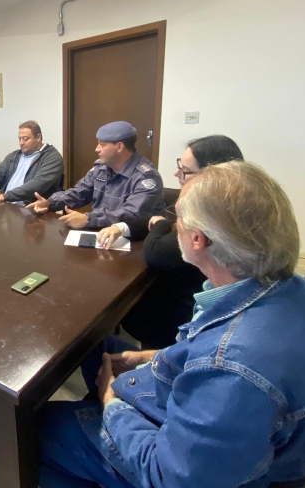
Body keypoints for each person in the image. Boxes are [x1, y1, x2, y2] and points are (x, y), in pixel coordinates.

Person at [37, 161, 305, 488]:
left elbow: (173, 481)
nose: (170, 226)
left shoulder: (233, 369)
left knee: (39, 426)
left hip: (190, 471)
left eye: (177, 219)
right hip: (228, 423)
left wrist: (112, 406)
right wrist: (153, 356)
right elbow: (210, 354)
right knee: (96, 348)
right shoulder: (300, 291)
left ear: (196, 239)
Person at [97, 135, 244, 348]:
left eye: (185, 170)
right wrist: (120, 227)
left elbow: (156, 252)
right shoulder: (221, 197)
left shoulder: (211, 214)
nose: (176, 173)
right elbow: (161, 220)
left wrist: (159, 225)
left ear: (212, 175)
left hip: (176, 316)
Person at [26, 121, 164, 229]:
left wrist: (89, 219)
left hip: (132, 241)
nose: (96, 149)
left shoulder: (146, 177)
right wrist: (50, 203)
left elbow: (132, 214)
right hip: (101, 233)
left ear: (120, 147)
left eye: (102, 145)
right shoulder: (101, 168)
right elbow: (78, 193)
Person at [0, 121, 63, 203]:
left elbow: (38, 184)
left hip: (32, 208)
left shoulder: (52, 157)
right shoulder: (14, 156)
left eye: (25, 139)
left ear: (38, 137)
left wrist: (5, 196)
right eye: (19, 139)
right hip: (7, 204)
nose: (21, 143)